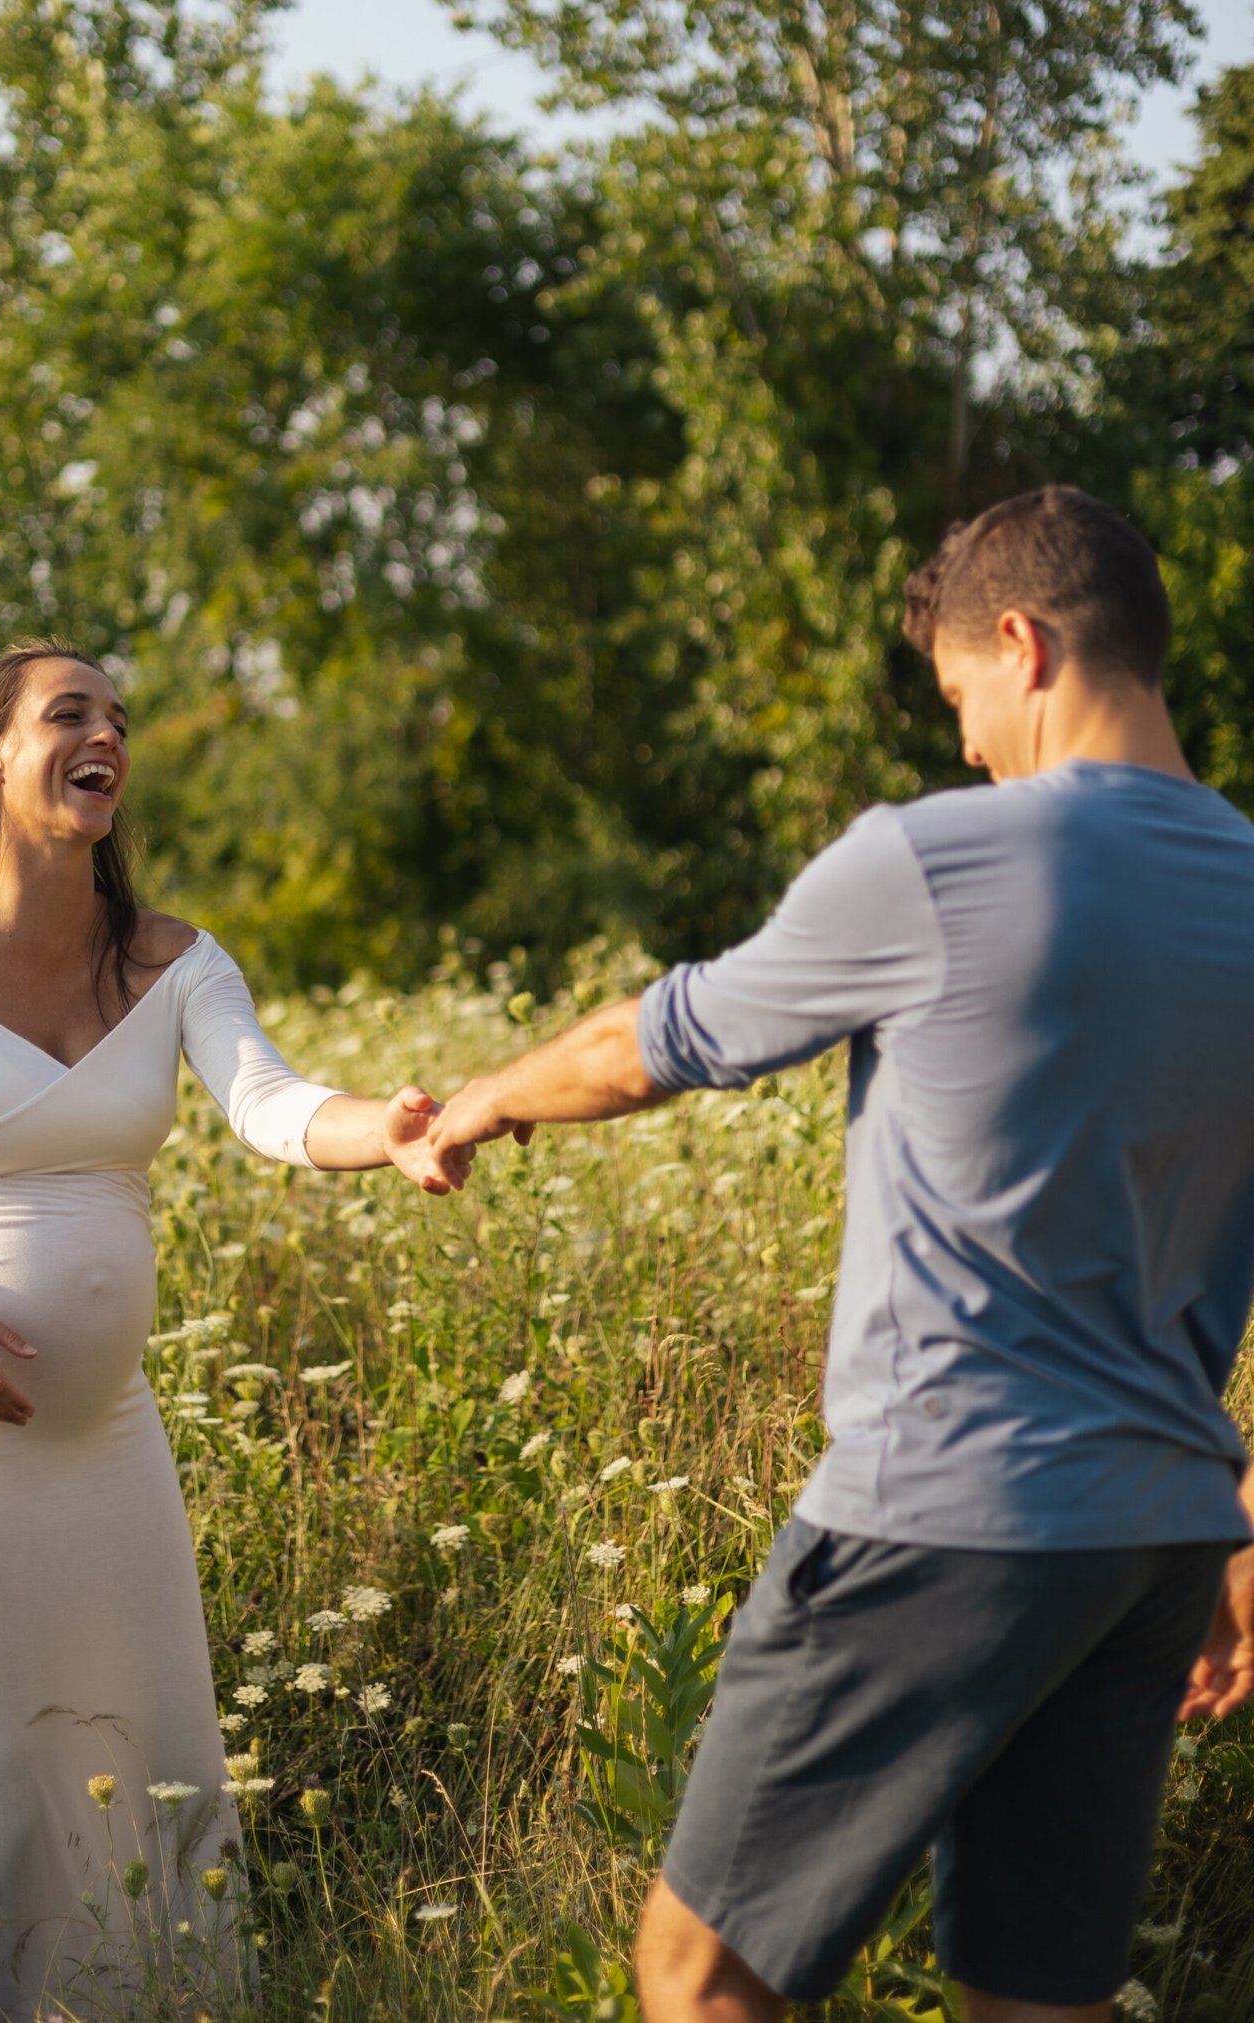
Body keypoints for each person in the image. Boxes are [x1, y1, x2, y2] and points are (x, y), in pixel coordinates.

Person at [429, 486, 1254, 2023]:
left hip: (949, 1509)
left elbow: (650, 1047)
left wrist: (480, 1102)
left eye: (960, 697)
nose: (963, 742)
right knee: (1037, 1998)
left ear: (1022, 644)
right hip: (1154, 1542)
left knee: (703, 1976)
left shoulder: (941, 860)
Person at [0, 640, 475, 2021]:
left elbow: (274, 1105)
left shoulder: (171, 960)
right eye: (70, 712)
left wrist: (390, 1135)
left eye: (117, 718)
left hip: (108, 1445)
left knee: (148, 1746)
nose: (107, 735)